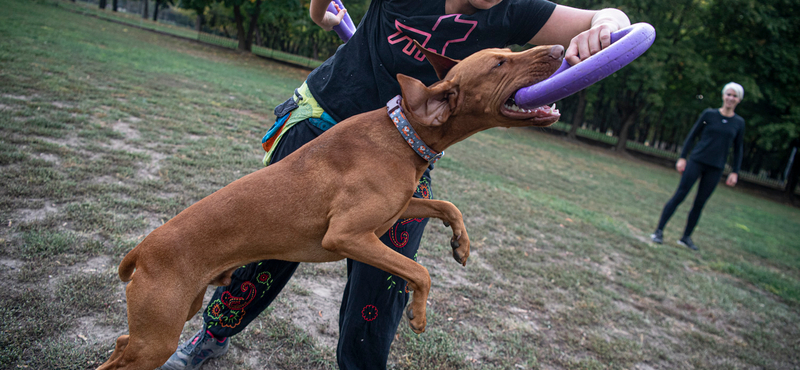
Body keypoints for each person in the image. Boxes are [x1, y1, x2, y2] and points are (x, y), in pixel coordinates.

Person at [161, 0, 630, 369]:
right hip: (325, 126)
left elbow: (607, 18)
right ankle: (213, 336)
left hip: (406, 153)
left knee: (387, 278)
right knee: (264, 249)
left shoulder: (519, 11)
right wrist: (317, 12)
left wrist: (605, 27)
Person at [650, 82, 746, 251]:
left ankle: (686, 237)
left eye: (734, 96)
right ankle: (658, 231)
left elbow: (738, 149)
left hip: (716, 168)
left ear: (739, 100)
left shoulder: (739, 123)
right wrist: (682, 158)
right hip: (697, 161)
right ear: (723, 96)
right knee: (679, 195)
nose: (731, 98)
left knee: (699, 203)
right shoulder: (709, 115)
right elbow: (692, 136)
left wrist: (735, 172)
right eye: (728, 94)